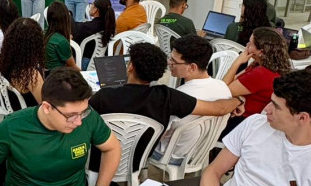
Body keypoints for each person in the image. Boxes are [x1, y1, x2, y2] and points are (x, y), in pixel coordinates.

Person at [89, 42, 242, 172]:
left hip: (101, 161)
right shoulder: (169, 96)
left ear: (130, 67)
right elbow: (219, 108)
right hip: (140, 159)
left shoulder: (104, 96)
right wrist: (238, 101)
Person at [152, 36, 233, 165]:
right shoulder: (223, 89)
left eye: (174, 61)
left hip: (169, 156)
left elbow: (158, 134)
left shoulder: (180, 97)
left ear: (192, 67)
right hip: (200, 154)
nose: (169, 63)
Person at [220, 27, 292, 136]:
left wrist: (237, 62)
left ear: (261, 52)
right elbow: (234, 81)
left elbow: (223, 89)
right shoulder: (268, 66)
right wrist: (240, 98)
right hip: (253, 120)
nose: (247, 45)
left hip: (244, 124)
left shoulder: (261, 74)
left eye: (250, 43)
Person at [0, 17, 45, 108]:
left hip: (15, 111)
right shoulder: (31, 74)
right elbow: (45, 105)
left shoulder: (7, 62)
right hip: (30, 116)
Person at [73, 0, 116, 69]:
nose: (90, 7)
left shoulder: (86, 27)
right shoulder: (110, 27)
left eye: (91, 5)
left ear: (95, 9)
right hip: (104, 64)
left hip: (85, 64)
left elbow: (75, 46)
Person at [44, 1, 79, 71]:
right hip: (58, 77)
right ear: (65, 19)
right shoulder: (61, 41)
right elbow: (74, 67)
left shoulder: (45, 34)